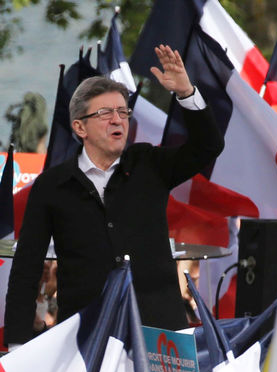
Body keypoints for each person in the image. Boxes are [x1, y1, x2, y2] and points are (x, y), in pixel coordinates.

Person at [4, 45, 224, 347]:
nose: (118, 120)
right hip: (86, 337)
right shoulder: (52, 185)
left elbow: (208, 147)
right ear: (79, 127)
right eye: (105, 113)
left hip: (161, 335)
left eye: (123, 112)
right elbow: (27, 267)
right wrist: (17, 343)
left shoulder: (150, 164)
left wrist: (186, 93)